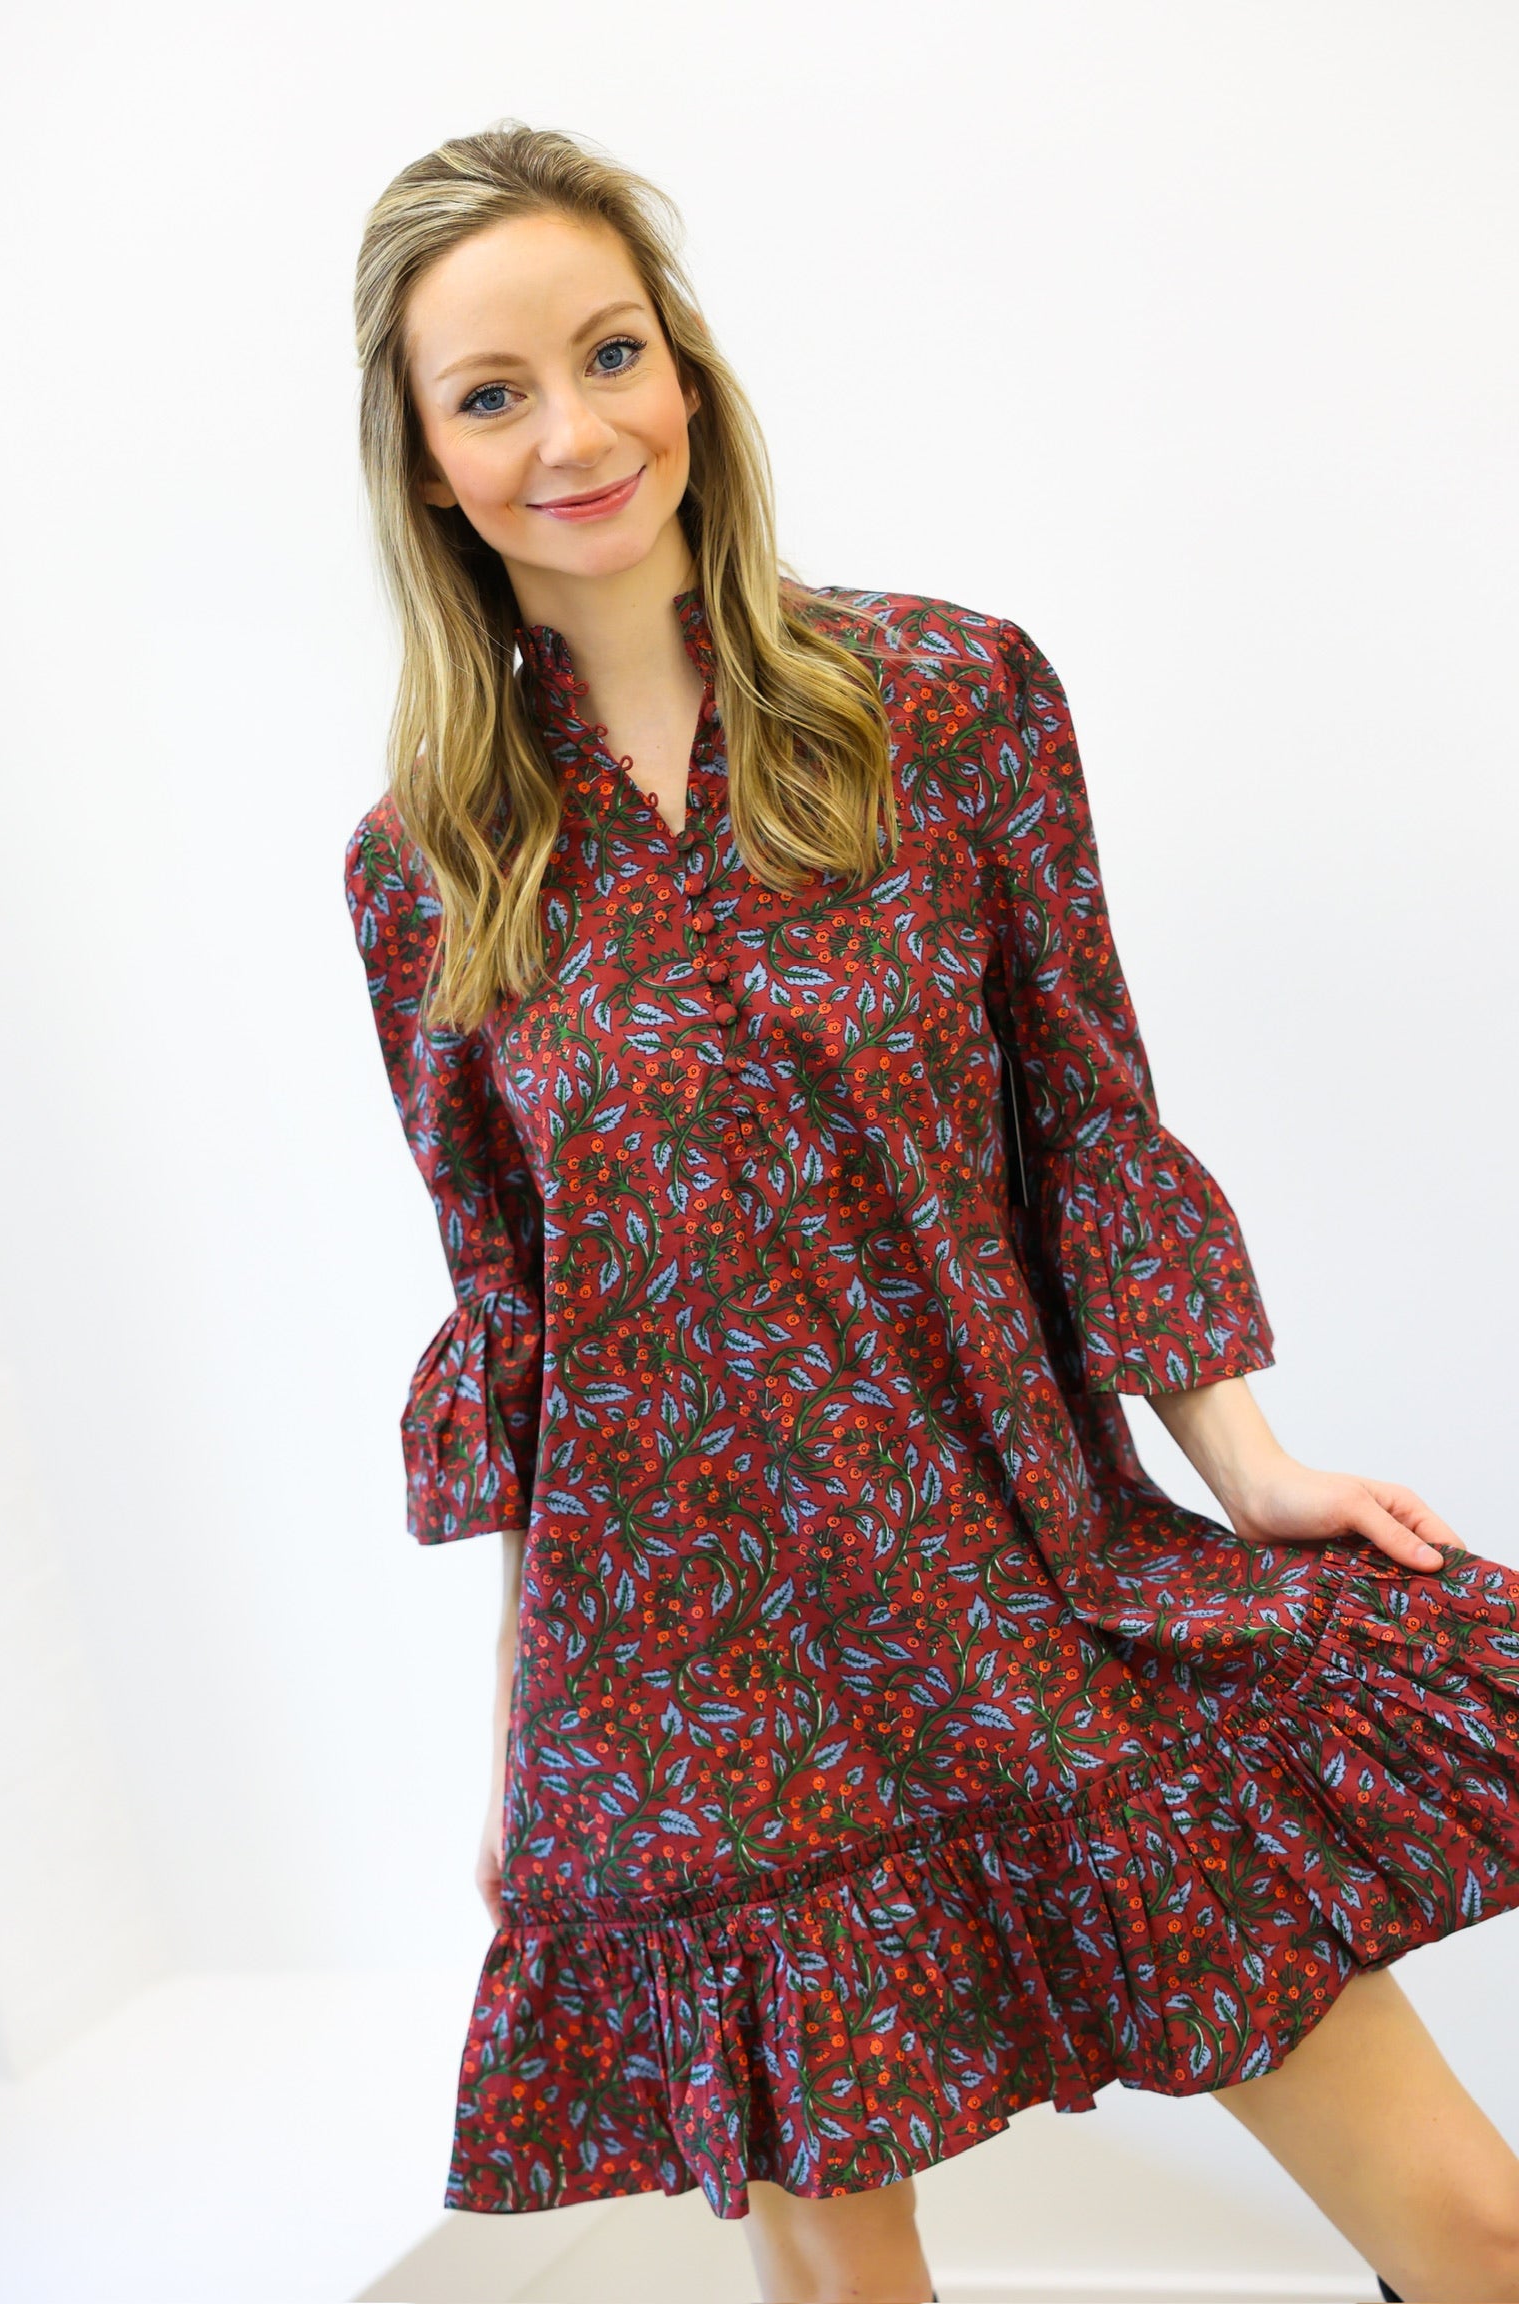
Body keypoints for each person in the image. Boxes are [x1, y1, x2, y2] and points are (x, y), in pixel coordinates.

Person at [342, 119, 1519, 2304]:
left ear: (683, 367)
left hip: (1029, 1588)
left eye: (610, 353)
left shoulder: (948, 702)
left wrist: (1241, 1464)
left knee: (1475, 2226)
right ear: (423, 461)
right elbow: (524, 1340)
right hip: (697, 1706)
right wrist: (532, 1750)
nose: (573, 430)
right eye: (491, 393)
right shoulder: (428, 875)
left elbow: (1088, 1121)